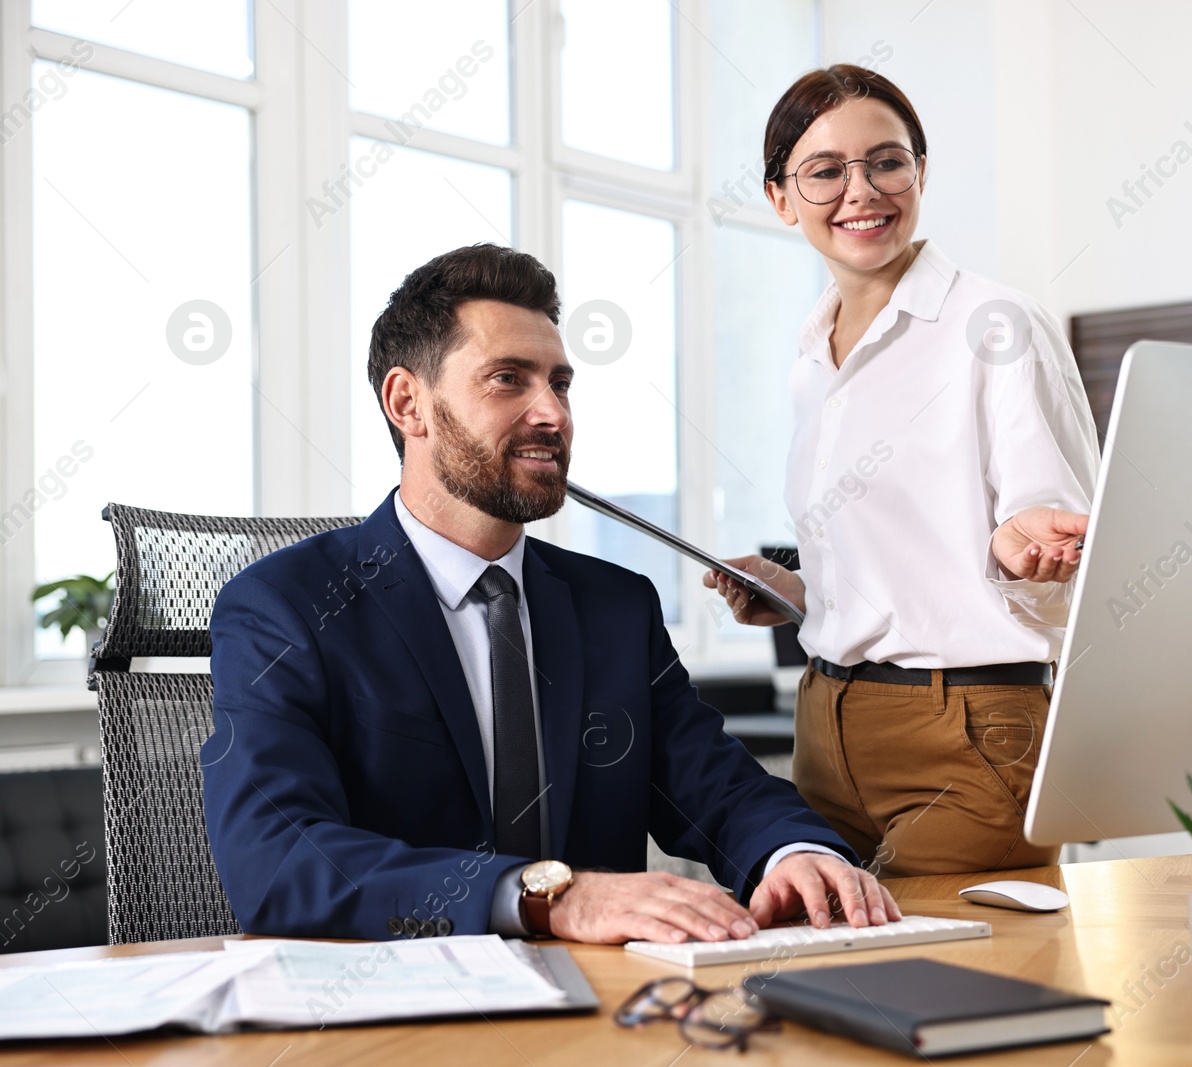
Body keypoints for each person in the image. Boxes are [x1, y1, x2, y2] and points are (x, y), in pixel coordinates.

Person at [202, 243, 899, 945]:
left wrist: (794, 852)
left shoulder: (615, 606)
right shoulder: (284, 607)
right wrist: (547, 896)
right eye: (508, 379)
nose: (553, 414)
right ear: (407, 403)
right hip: (390, 1012)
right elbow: (279, 860)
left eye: (560, 384)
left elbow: (717, 785)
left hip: (604, 1014)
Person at [705, 66, 1099, 878]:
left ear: (921, 172)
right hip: (826, 728)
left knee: (960, 973)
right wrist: (795, 589)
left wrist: (1025, 552)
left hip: (970, 726)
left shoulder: (997, 323)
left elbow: (1059, 555)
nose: (862, 190)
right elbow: (900, 566)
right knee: (835, 972)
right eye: (825, 171)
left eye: (887, 161)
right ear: (781, 197)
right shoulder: (812, 356)